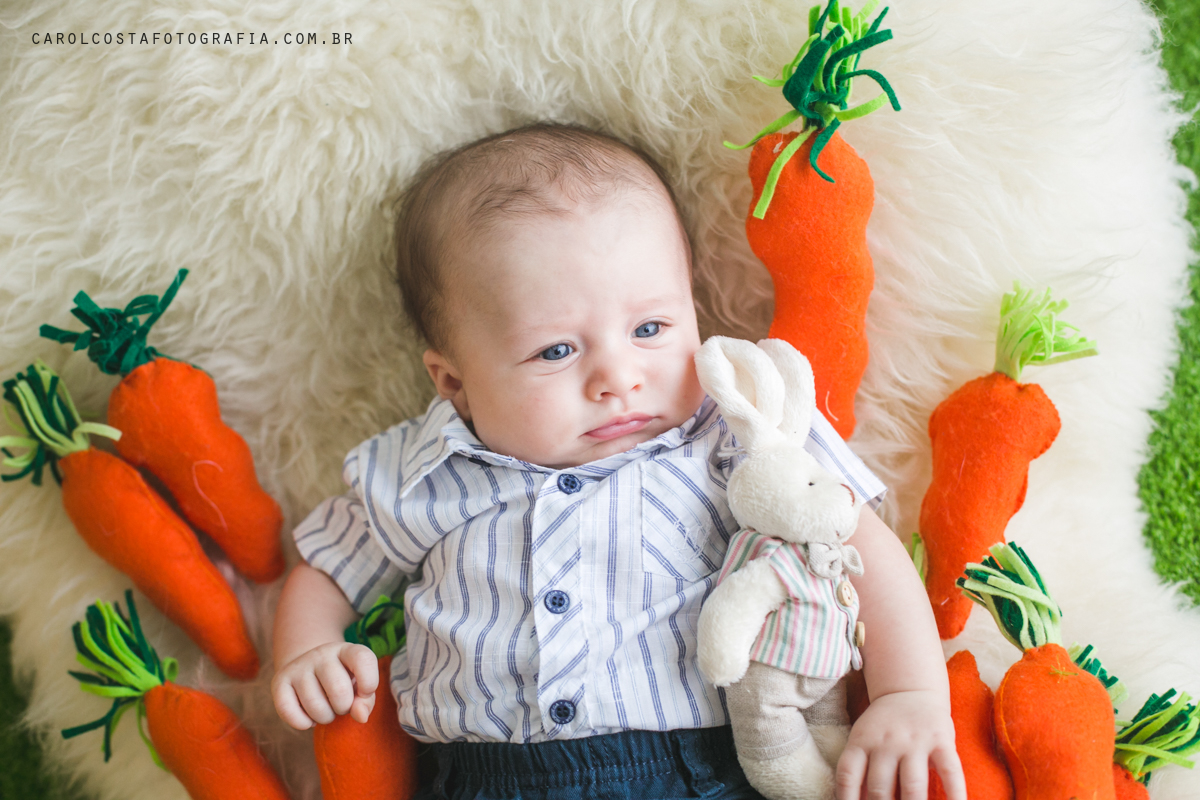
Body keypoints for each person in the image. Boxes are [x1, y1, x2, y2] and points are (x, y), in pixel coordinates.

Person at [271, 122, 965, 800]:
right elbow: (329, 567)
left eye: (649, 329)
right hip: (482, 778)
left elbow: (851, 541)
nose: (618, 377)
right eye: (556, 351)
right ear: (454, 382)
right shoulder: (424, 470)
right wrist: (308, 653)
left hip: (703, 767)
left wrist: (909, 692)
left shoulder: (734, 432)